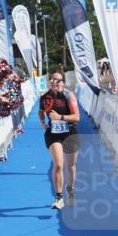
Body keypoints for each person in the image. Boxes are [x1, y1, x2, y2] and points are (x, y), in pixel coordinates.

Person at [39, 71, 81, 209]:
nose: (54, 82)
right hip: (53, 133)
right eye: (52, 79)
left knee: (70, 166)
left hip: (69, 132)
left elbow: (76, 118)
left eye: (57, 80)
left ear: (63, 82)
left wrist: (60, 117)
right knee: (58, 164)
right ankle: (58, 198)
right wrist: (42, 122)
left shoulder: (69, 96)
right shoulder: (44, 97)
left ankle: (70, 189)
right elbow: (40, 111)